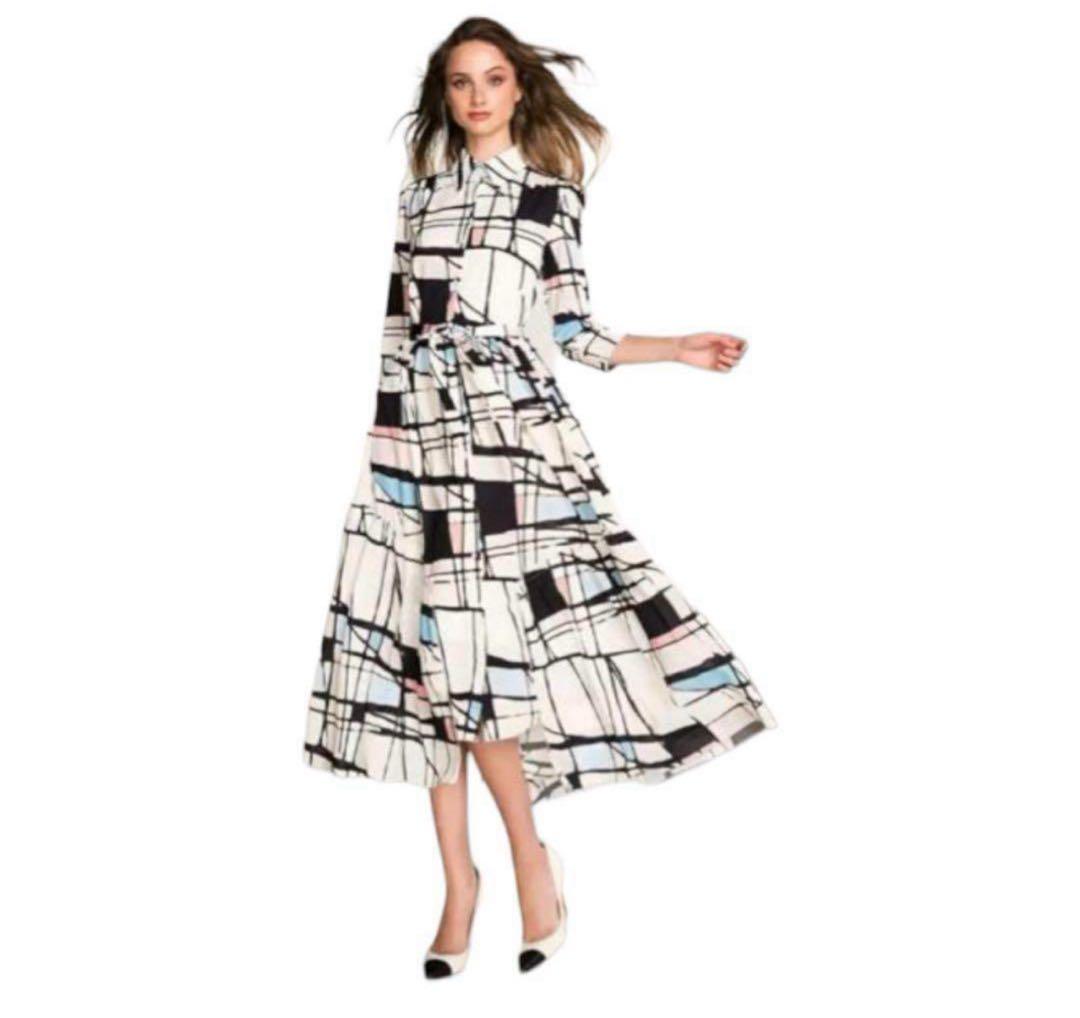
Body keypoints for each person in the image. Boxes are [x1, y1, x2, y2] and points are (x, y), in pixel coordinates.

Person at [302, 16, 777, 978]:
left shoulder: (548, 196)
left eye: (494, 78)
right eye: (461, 81)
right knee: (424, 662)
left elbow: (573, 331)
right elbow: (397, 338)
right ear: (445, 96)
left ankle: (528, 863)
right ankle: (459, 882)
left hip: (513, 446)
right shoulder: (418, 199)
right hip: (416, 444)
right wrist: (386, 465)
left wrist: (674, 349)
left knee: (477, 660)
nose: (478, 96)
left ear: (519, 88)